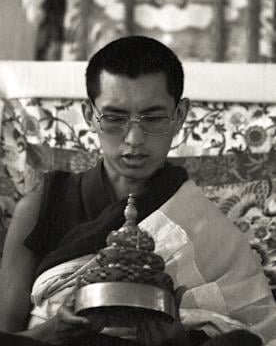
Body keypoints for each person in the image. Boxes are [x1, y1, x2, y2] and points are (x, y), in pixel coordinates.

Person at [0, 36, 275, 346]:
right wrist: (53, 332)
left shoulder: (204, 227)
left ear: (180, 116)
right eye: (115, 118)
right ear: (90, 115)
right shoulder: (41, 206)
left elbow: (261, 332)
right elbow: (8, 337)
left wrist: (178, 342)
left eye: (154, 118)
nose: (134, 138)